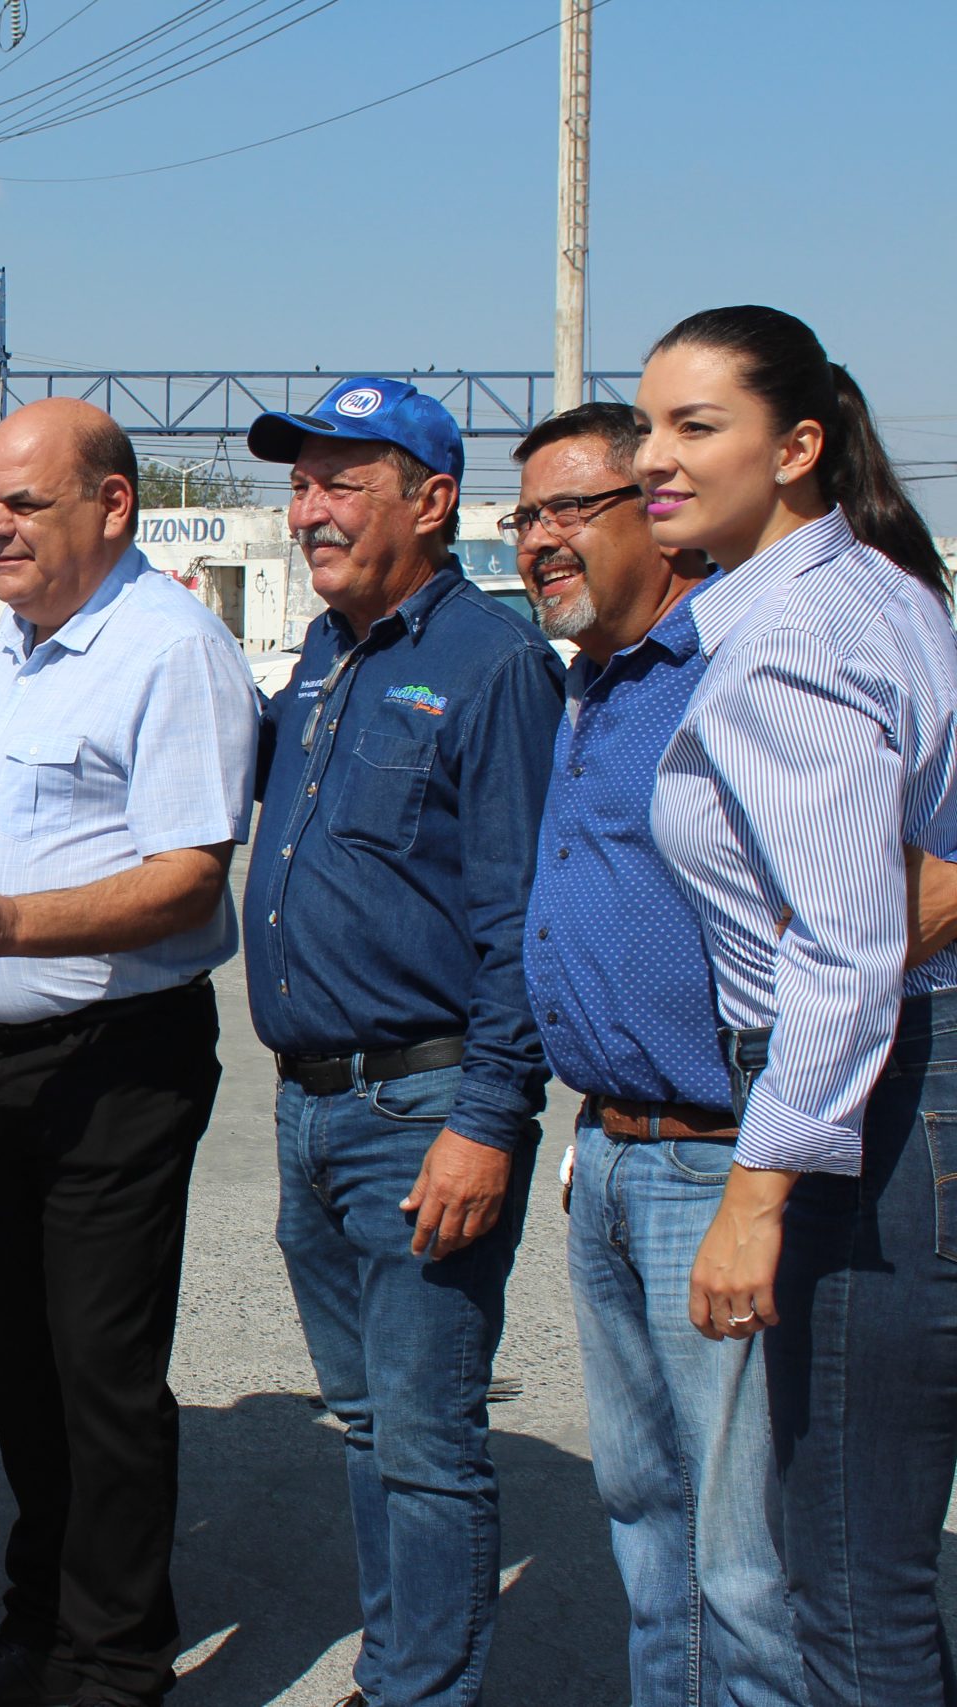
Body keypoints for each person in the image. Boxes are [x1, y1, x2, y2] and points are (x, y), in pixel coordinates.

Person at [0, 400, 257, 1707]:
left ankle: (112, 1667)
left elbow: (186, 881)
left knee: (101, 1380)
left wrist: (8, 919)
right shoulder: (22, 647)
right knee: (25, 1372)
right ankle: (35, 1629)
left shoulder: (170, 649)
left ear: (112, 507)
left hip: (113, 1062)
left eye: (24, 504)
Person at [638, 305, 957, 1707]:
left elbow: (841, 943)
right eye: (648, 422)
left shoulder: (792, 637)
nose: (654, 456)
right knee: (871, 1563)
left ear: (801, 445)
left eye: (695, 426)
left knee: (847, 1580)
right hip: (907, 1088)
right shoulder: (887, 589)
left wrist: (758, 1189)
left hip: (872, 1114)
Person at [241, 377, 565, 1707]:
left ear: (433, 502)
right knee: (370, 1420)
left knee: (427, 1437)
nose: (310, 508)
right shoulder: (322, 655)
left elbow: (522, 923)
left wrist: (487, 1121)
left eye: (343, 482)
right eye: (301, 482)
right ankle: (400, 1662)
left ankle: (420, 1688)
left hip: (420, 1111)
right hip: (310, 1110)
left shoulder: (491, 667)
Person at [506, 404, 798, 1706]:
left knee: (745, 1559)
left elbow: (835, 934)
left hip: (720, 1158)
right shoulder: (587, 682)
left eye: (573, 509)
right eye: (525, 517)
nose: (539, 540)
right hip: (613, 1153)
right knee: (643, 1519)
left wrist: (763, 1181)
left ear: (660, 514)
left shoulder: (737, 668)